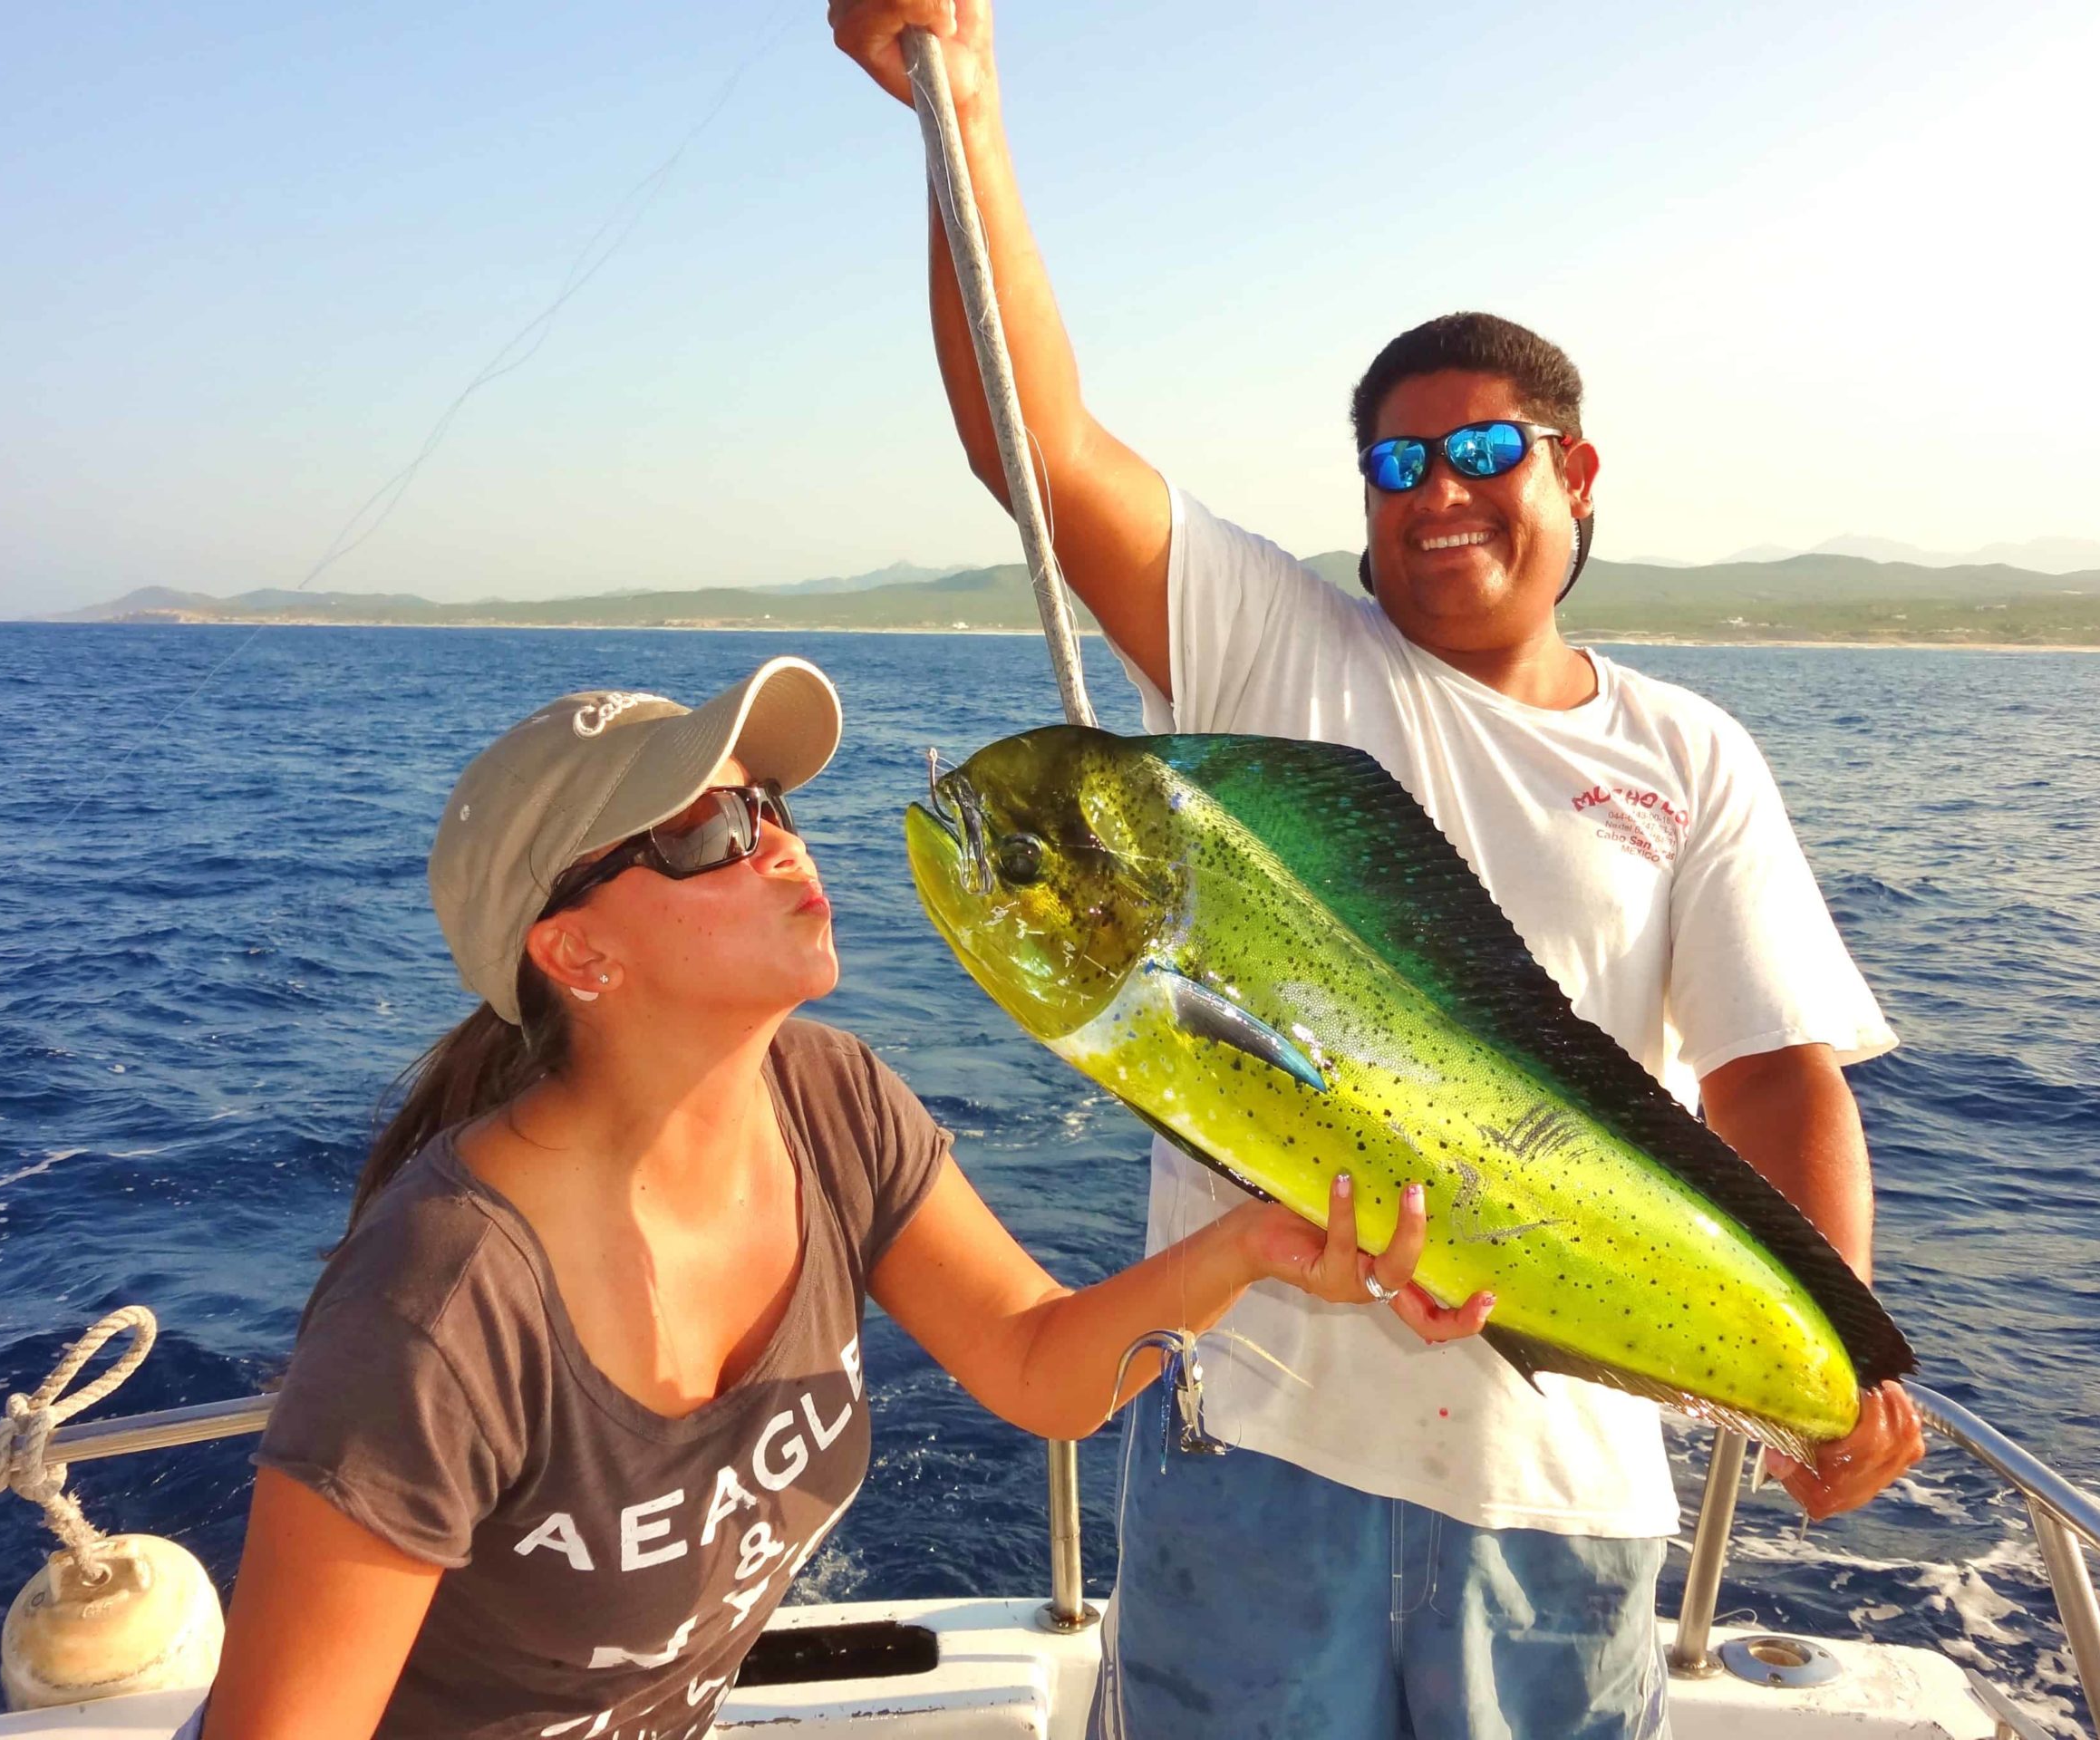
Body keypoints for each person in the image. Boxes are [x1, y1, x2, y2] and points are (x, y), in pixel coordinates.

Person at [829, 6, 1930, 1737]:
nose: (1440, 494)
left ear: (1572, 472)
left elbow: (1773, 1074)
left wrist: (1838, 1361)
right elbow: (1034, 450)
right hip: (1255, 1454)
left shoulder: (1690, 752)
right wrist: (956, 101)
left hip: (1560, 1488)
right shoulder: (1275, 650)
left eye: (1485, 452)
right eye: (1398, 463)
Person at [189, 656, 1492, 1740]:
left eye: (771, 805)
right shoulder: (444, 1300)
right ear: (576, 951)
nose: (779, 847)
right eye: (709, 832)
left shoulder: (833, 1100)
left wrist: (1252, 1247)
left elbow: (1039, 1369)